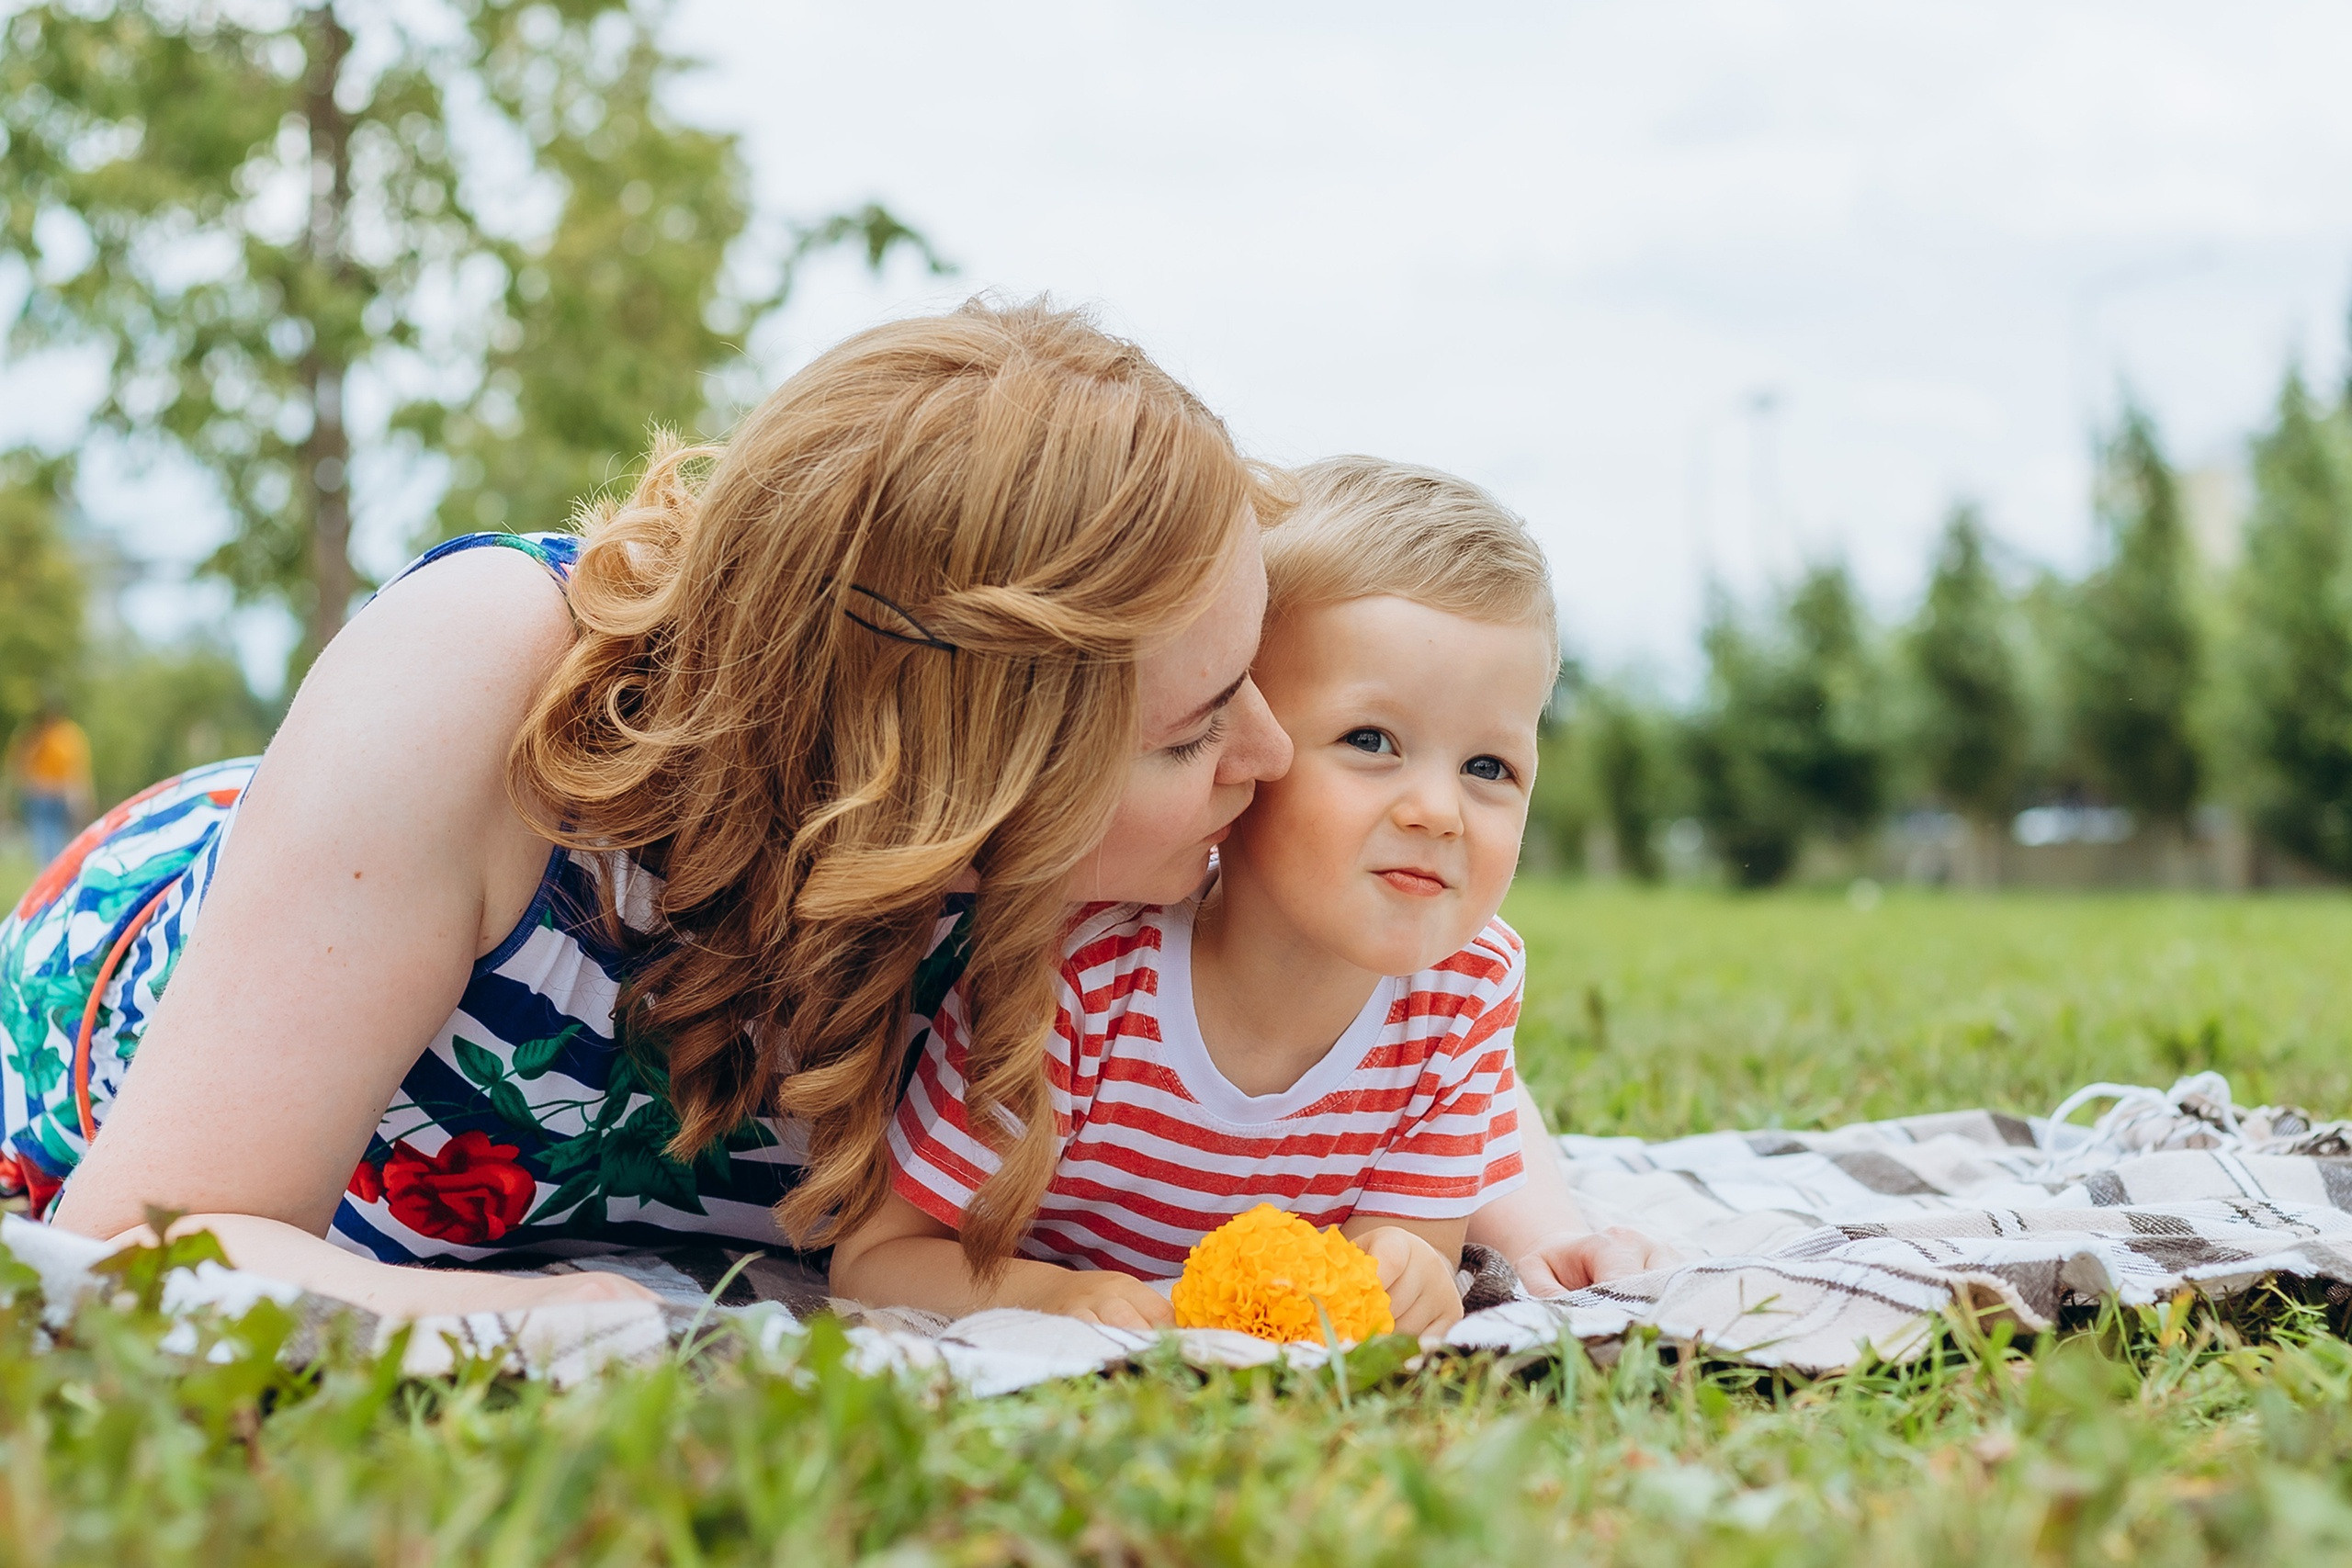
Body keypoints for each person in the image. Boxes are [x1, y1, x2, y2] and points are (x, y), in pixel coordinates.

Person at [0, 301, 1652, 1320]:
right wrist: (543, 1323)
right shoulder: (474, 687)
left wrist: (1530, 1216)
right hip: (171, 959)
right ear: (963, 775)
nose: (1280, 760)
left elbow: (1416, 1010)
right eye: (1202, 727)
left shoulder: (1101, 869)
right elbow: (150, 1247)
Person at [833, 457, 1670, 1335]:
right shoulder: (1079, 979)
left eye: (1489, 766)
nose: (1438, 811)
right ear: (1240, 741)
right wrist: (1051, 1295)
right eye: (1371, 739)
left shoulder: (1466, 987)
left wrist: (1406, 1273)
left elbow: (1403, 1246)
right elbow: (880, 1257)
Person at [8, 698, 93, 868]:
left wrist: (82, 796)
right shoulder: (36, 736)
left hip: (58, 797)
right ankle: (48, 873)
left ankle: (53, 872)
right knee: (44, 842)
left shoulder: (66, 735)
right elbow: (20, 765)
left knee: (56, 841)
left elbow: (76, 770)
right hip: (40, 797)